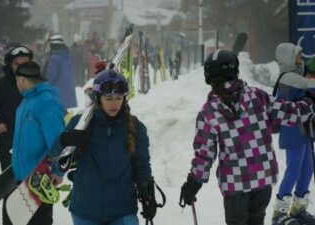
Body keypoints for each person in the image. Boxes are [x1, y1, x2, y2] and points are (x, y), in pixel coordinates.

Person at [178, 49, 315, 225]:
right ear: (235, 71)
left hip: (235, 183)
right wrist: (310, 103)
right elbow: (290, 113)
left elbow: (204, 155)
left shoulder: (208, 112)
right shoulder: (257, 97)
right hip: (263, 177)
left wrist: (193, 182)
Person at [49, 69, 158, 225]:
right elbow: (57, 157)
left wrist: (147, 193)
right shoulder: (82, 124)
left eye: (118, 98)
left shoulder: (135, 127)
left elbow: (141, 165)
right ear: (98, 98)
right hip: (86, 211)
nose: (114, 103)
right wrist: (65, 139)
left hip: (123, 211)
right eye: (108, 98)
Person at [0, 45, 32, 225]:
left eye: (25, 63)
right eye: (16, 64)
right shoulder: (1, 84)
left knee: (32, 191)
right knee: (11, 189)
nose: (21, 66)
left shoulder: (40, 83)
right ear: (10, 65)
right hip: (8, 143)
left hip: (34, 145)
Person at [12, 61, 65, 224]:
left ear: (21, 79)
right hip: (22, 178)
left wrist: (59, 171)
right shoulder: (25, 102)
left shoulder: (47, 102)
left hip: (40, 179)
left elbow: (58, 140)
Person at [271, 43, 315, 225]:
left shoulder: (295, 76)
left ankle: (298, 208)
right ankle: (279, 212)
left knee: (307, 168)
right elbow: (310, 86)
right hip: (292, 129)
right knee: (294, 169)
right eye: (297, 57)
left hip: (303, 128)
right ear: (288, 59)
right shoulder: (288, 77)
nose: (301, 60)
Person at [44, 33, 77, 109]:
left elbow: (51, 77)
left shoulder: (54, 58)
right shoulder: (68, 56)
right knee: (65, 117)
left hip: (56, 93)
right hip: (67, 93)